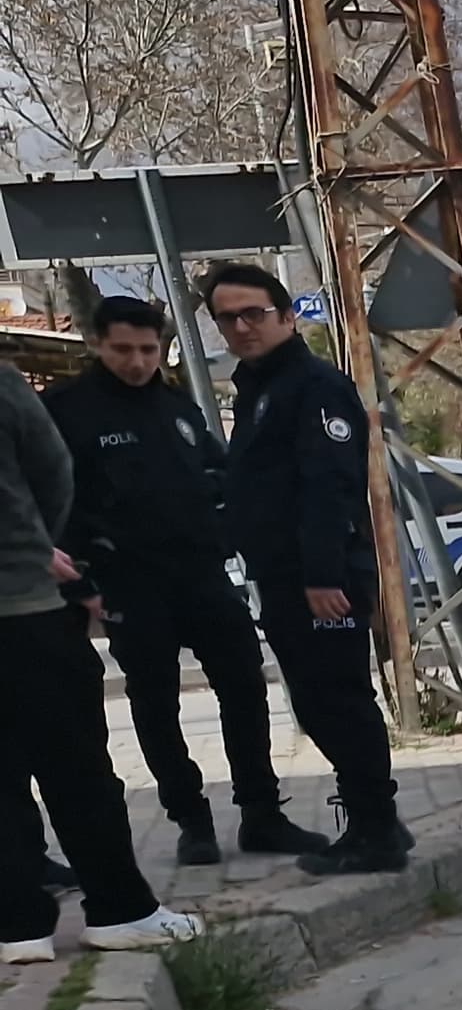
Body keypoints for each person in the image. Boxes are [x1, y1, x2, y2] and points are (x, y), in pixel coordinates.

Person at [45, 298, 328, 866]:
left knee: (245, 685)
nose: (136, 362)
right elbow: (52, 502)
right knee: (155, 701)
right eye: (123, 349)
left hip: (201, 574)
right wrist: (83, 583)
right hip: (127, 581)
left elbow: (218, 474)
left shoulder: (176, 406)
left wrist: (226, 530)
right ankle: (191, 820)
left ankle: (262, 813)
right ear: (97, 344)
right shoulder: (65, 410)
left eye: (147, 350)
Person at [202, 261, 407, 875]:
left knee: (336, 703)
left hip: (320, 577)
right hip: (283, 575)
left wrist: (322, 574)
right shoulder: (260, 389)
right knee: (318, 703)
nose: (242, 327)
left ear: (288, 317)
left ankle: (374, 832)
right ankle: (378, 820)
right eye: (227, 318)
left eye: (254, 313)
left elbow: (328, 485)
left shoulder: (313, 387)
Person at [0, 367, 202, 964]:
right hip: (24, 605)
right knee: (77, 766)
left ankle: (18, 924)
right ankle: (120, 909)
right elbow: (53, 471)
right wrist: (33, 545)